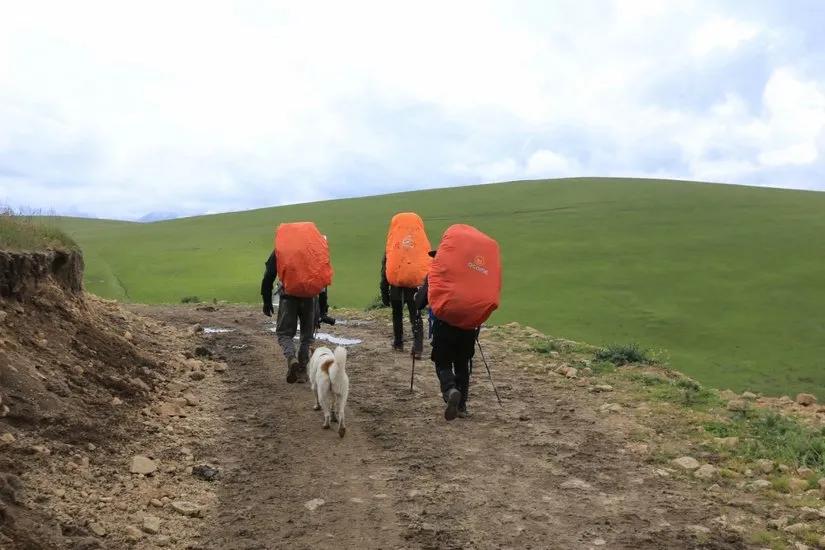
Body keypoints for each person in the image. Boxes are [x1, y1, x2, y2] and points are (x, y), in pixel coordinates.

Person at [414, 250, 476, 420]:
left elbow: (420, 303)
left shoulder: (435, 275)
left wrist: (418, 295)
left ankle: (450, 390)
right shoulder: (470, 274)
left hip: (444, 326)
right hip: (468, 327)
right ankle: (462, 406)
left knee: (443, 363)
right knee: (462, 363)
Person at [261, 250, 314, 384]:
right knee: (306, 336)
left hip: (288, 296)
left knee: (284, 333)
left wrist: (267, 300)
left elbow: (269, 275)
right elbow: (322, 276)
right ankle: (302, 372)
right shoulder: (313, 248)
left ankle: (291, 358)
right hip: (310, 297)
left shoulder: (282, 247)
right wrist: (323, 308)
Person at [381, 254, 424, 359]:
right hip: (413, 289)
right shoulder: (415, 248)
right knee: (415, 317)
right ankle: (418, 348)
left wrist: (385, 295)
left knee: (397, 316)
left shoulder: (393, 248)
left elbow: (385, 273)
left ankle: (398, 343)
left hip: (396, 290)